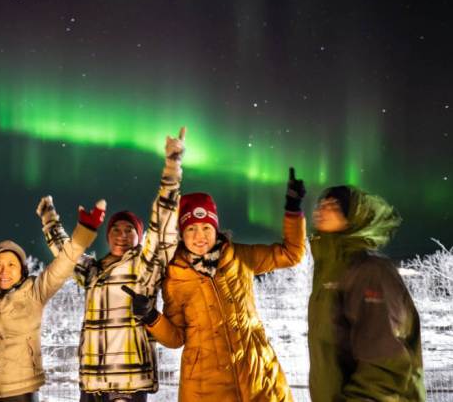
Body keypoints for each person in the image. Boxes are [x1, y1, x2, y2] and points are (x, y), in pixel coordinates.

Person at [126, 168, 307, 401]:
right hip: (206, 385)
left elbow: (291, 254)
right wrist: (151, 317)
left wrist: (293, 210)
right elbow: (176, 338)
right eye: (191, 228)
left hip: (257, 374)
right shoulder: (175, 275)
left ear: (216, 228)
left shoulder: (240, 256)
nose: (199, 235)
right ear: (182, 233)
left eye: (206, 227)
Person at [39, 128, 186, 401]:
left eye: (128, 230)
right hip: (93, 381)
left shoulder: (146, 266)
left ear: (139, 236)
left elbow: (163, 220)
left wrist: (172, 165)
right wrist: (49, 219)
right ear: (107, 236)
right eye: (115, 229)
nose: (121, 234)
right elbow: (66, 254)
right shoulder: (92, 271)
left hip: (128, 382)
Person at [0, 197, 107, 401]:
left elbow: (66, 260)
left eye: (11, 265)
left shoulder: (35, 290)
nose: (4, 271)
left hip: (21, 392)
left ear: (22, 270)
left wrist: (84, 231)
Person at [308, 186, 425, 401]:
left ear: (354, 218)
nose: (321, 210)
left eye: (333, 206)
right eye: (321, 204)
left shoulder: (370, 272)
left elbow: (383, 366)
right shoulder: (330, 272)